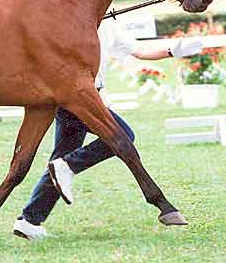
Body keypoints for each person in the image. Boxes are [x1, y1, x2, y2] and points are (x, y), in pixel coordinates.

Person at [13, 19, 203, 240]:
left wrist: (174, 50)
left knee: (62, 158)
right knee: (123, 136)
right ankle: (67, 167)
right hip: (75, 98)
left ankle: (29, 220)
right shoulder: (66, 22)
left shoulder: (109, 25)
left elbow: (140, 50)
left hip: (90, 98)